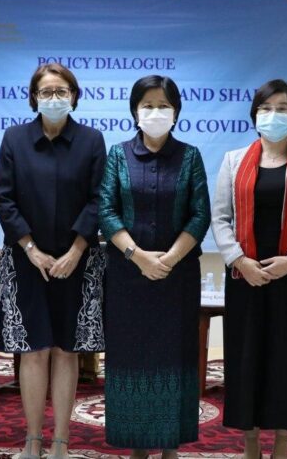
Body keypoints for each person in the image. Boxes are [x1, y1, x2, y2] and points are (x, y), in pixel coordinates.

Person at [211, 79, 287, 459]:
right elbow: (220, 218)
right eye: (266, 108)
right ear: (255, 114)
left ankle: (282, 441)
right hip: (244, 277)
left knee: (286, 361)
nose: (273, 115)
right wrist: (239, 260)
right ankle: (249, 441)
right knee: (246, 359)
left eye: (282, 109)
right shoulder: (233, 161)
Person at [0, 63, 106, 459]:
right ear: (34, 97)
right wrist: (30, 248)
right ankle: (32, 439)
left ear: (74, 96)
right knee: (33, 349)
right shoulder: (15, 139)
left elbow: (98, 199)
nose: (54, 98)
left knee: (66, 350)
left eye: (62, 91)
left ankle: (60, 440)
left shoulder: (91, 141)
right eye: (46, 92)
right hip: (27, 260)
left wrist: (76, 251)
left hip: (78, 261)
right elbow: (4, 198)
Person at [99, 75, 211, 458]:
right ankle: (137, 446)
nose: (156, 112)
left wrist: (169, 259)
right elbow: (106, 211)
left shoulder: (190, 156)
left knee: (174, 358)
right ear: (135, 110)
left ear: (176, 111)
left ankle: (170, 446)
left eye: (164, 105)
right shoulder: (118, 155)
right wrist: (139, 257)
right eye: (148, 105)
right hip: (127, 278)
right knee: (132, 358)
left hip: (178, 279)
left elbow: (200, 214)